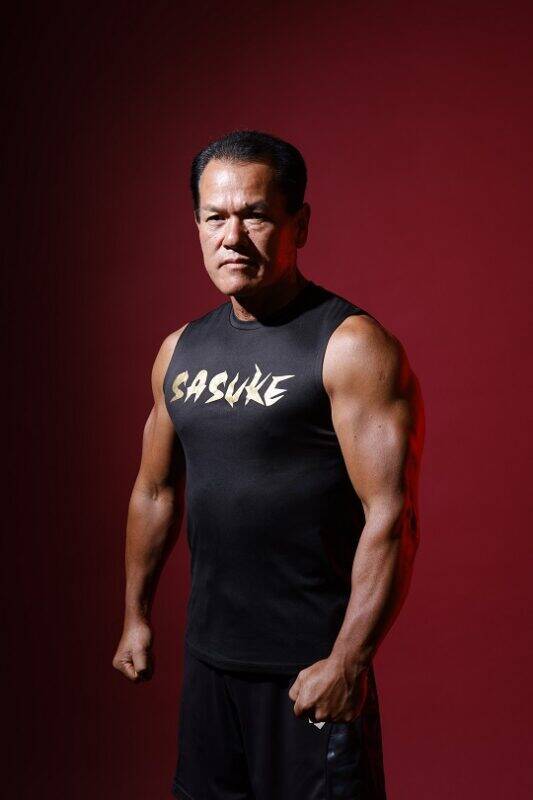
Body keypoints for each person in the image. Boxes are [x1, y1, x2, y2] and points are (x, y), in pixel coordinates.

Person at [112, 129, 425, 800]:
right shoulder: (180, 351)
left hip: (307, 671)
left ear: (299, 224)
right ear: (196, 227)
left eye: (254, 215)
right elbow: (155, 491)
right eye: (214, 217)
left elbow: (391, 516)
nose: (232, 237)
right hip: (209, 668)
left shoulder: (350, 347)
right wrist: (136, 615)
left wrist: (348, 661)